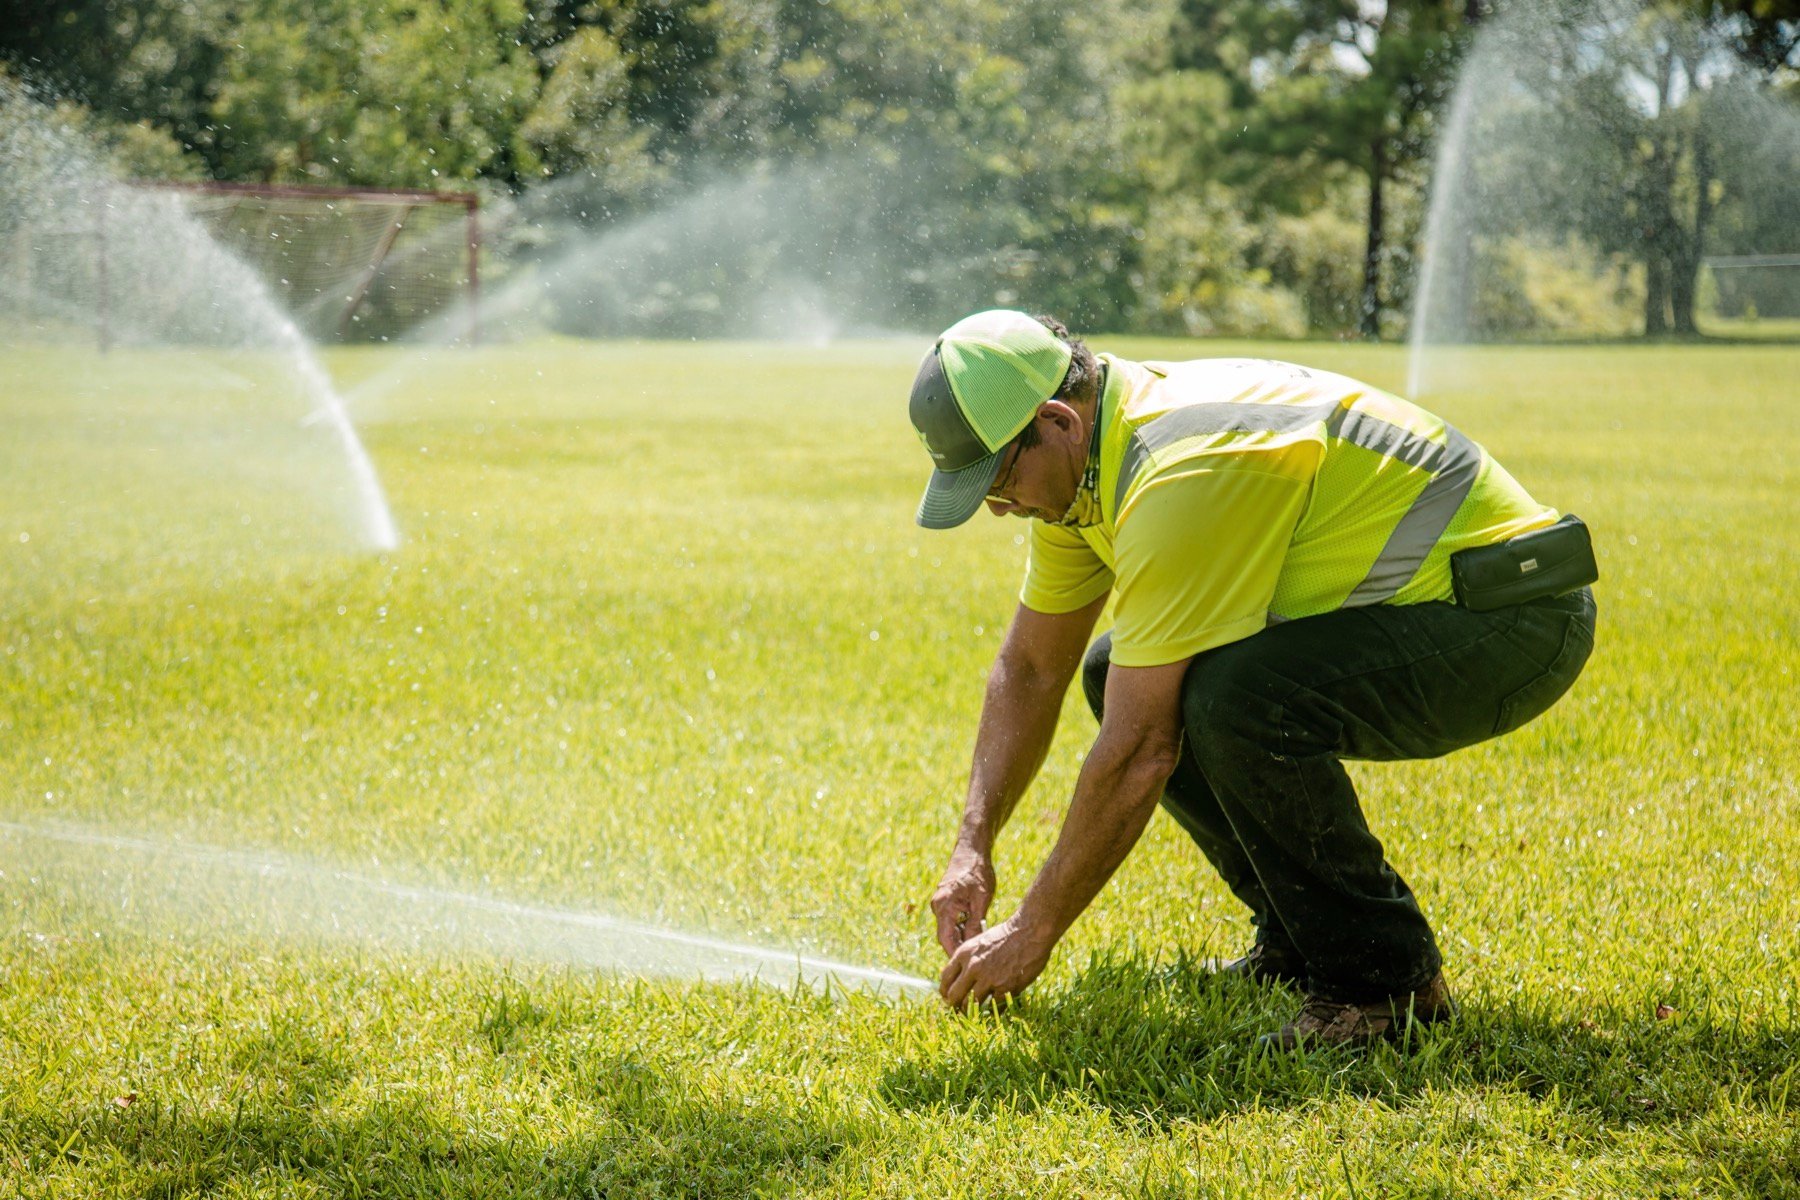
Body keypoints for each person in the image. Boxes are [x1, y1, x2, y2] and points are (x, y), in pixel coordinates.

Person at [909, 309, 1596, 1048]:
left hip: (1513, 616)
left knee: (1239, 700)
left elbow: (1142, 747)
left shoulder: (1181, 465)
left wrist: (1032, 931)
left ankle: (1383, 984)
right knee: (1117, 673)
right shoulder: (1090, 473)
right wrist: (972, 846)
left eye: (1001, 476)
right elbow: (1032, 668)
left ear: (1056, 421)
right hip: (1462, 606)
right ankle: (1299, 943)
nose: (998, 506)